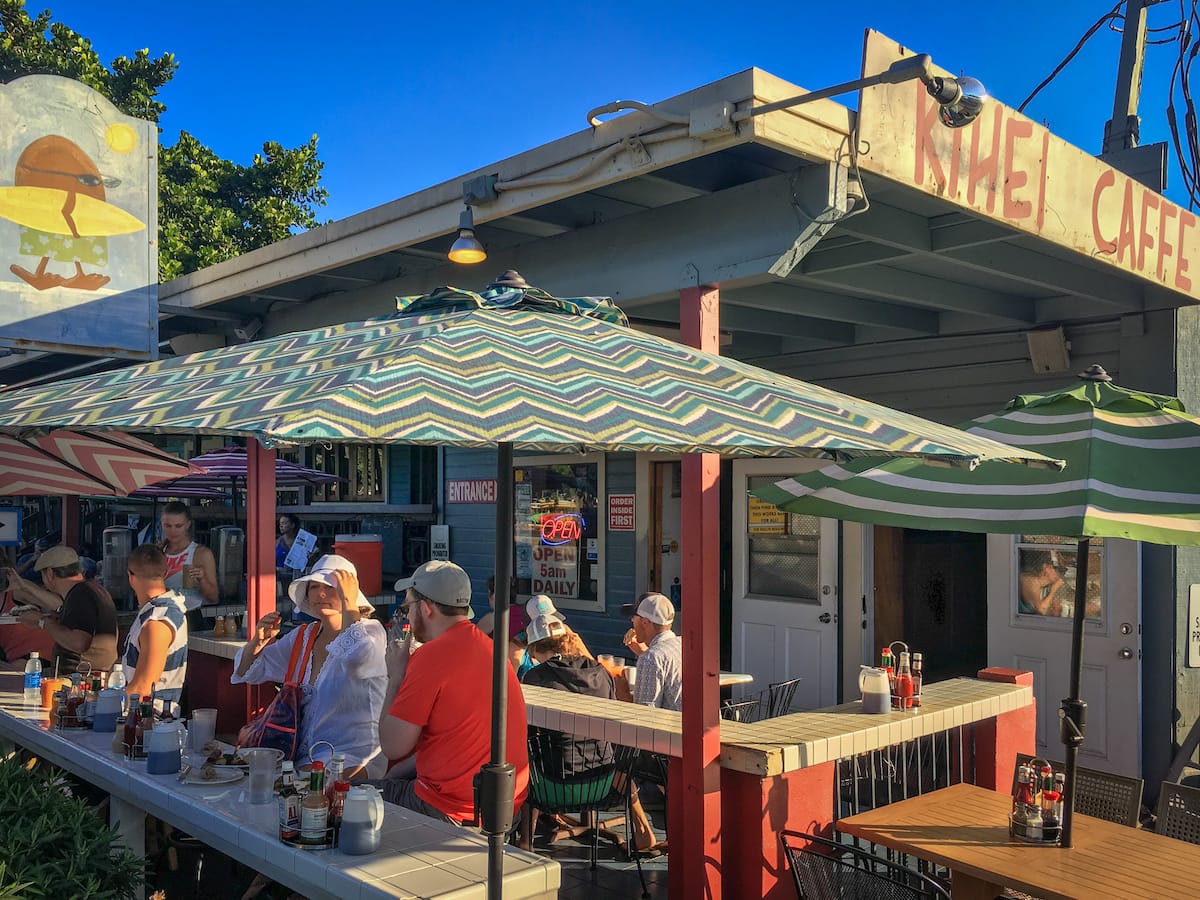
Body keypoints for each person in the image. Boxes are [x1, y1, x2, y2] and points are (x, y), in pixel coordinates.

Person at [378, 560, 529, 825]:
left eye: (407, 608)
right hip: (504, 808)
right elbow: (456, 743)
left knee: (346, 802)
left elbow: (392, 746)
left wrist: (396, 676)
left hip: (449, 810)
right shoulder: (493, 651)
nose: (408, 618)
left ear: (425, 608)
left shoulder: (430, 656)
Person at [232, 554, 387, 778]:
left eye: (331, 587)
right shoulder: (304, 635)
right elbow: (249, 671)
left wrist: (349, 603)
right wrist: (258, 641)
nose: (320, 593)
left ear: (349, 594)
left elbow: (357, 657)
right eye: (313, 586)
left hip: (353, 756)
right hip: (301, 756)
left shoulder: (371, 632)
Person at [522, 613, 661, 852]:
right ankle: (643, 830)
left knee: (527, 762)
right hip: (604, 781)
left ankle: (525, 844)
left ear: (534, 649)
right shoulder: (599, 672)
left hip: (553, 785)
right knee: (608, 755)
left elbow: (528, 732)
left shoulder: (535, 677)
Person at [4, 545, 118, 675]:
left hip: (80, 677)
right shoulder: (91, 590)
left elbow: (79, 642)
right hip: (85, 674)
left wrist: (42, 621)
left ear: (50, 574)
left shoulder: (80, 594)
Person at [122, 544, 189, 715]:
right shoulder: (156, 612)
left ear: (130, 575)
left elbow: (143, 687)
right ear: (165, 573)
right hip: (149, 722)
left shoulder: (158, 620)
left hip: (151, 722)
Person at [621, 592, 682, 712]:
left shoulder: (651, 658)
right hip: (709, 727)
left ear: (645, 622)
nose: (632, 621)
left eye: (634, 617)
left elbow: (645, 715)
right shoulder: (682, 644)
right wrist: (643, 651)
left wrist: (621, 692)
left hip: (675, 729)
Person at [159, 501, 218, 611]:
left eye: (178, 526)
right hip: (161, 613)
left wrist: (202, 579)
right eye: (168, 525)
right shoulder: (158, 551)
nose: (173, 531)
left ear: (188, 524)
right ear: (161, 524)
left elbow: (213, 597)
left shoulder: (201, 554)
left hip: (190, 615)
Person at [1018, 550, 1067, 616]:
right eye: (1055, 569)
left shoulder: (1039, 584)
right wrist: (1054, 590)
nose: (1058, 574)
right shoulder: (1032, 583)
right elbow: (1041, 611)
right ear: (1045, 567)